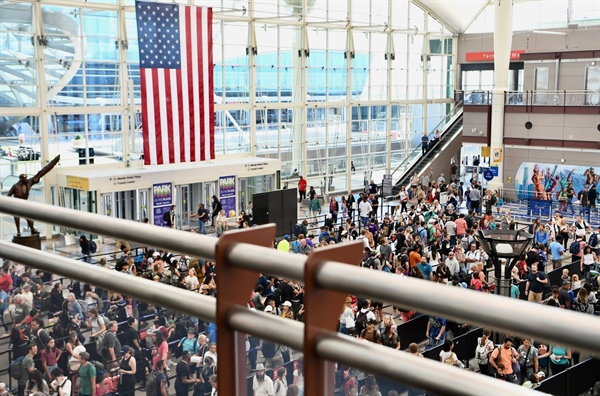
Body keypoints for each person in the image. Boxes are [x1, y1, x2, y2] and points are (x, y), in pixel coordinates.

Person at [7, 155, 60, 236]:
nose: (26, 179)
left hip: (24, 204)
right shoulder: (15, 186)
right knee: (17, 218)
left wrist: (54, 162)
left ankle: (32, 229)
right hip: (16, 204)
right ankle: (18, 231)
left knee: (29, 218)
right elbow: (8, 195)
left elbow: (42, 172)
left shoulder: (29, 182)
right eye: (24, 178)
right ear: (21, 179)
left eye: (26, 178)